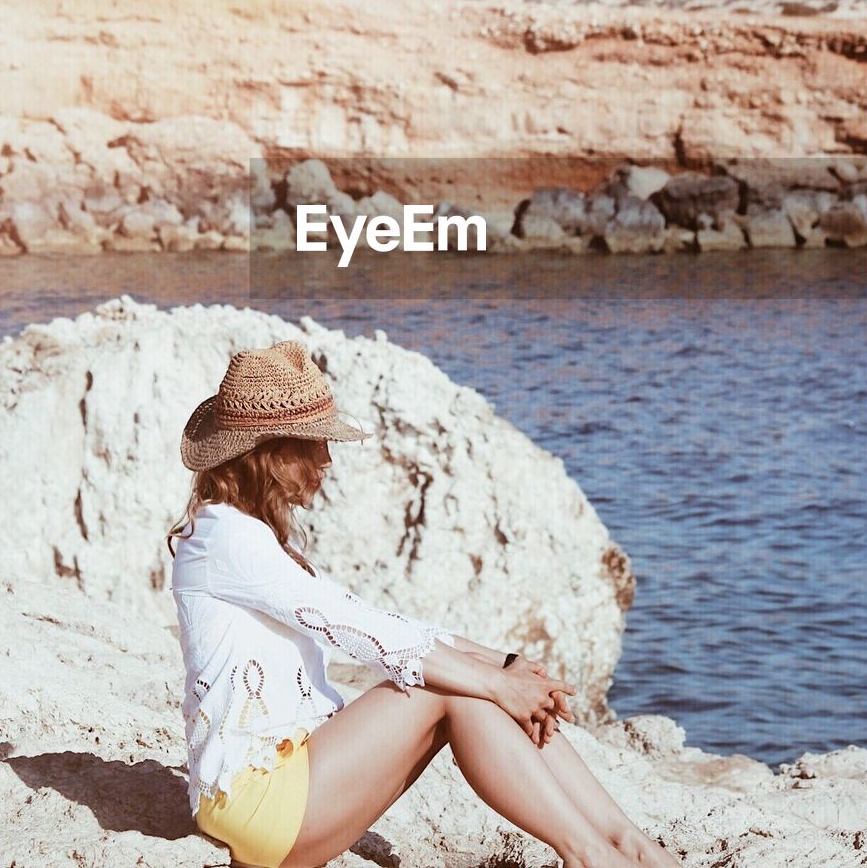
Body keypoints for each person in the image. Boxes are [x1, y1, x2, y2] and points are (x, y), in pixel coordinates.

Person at [167, 340, 679, 868]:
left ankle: (628, 844)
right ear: (269, 453)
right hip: (256, 803)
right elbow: (356, 628)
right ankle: (590, 854)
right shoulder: (227, 540)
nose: (327, 458)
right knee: (455, 691)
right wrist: (493, 681)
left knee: (471, 683)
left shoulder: (246, 536)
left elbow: (384, 623)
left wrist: (503, 666)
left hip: (283, 790)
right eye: (313, 443)